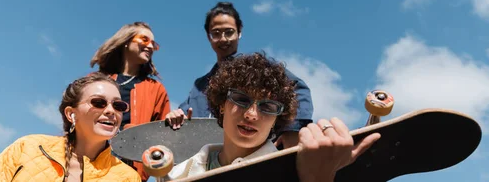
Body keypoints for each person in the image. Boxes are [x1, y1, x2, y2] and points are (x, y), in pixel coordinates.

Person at [159, 52, 380, 182]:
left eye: (268, 107)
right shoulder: (180, 172)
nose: (252, 114)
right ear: (221, 105)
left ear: (277, 119)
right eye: (241, 99)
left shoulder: (301, 171)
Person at [0, 72, 141, 182]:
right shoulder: (28, 148)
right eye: (98, 102)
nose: (110, 110)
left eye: (118, 105)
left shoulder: (127, 177)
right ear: (71, 114)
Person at [171, 2, 313, 149]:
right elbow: (182, 114)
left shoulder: (258, 68)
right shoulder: (199, 86)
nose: (223, 39)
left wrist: (292, 130)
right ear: (208, 36)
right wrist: (174, 117)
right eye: (216, 33)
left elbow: (298, 89)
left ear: (239, 32)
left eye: (229, 32)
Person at [89, 21, 171, 181]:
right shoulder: (95, 81)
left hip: (131, 172)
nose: (150, 47)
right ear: (126, 41)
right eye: (144, 40)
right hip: (90, 165)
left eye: (153, 44)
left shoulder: (156, 89)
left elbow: (163, 139)